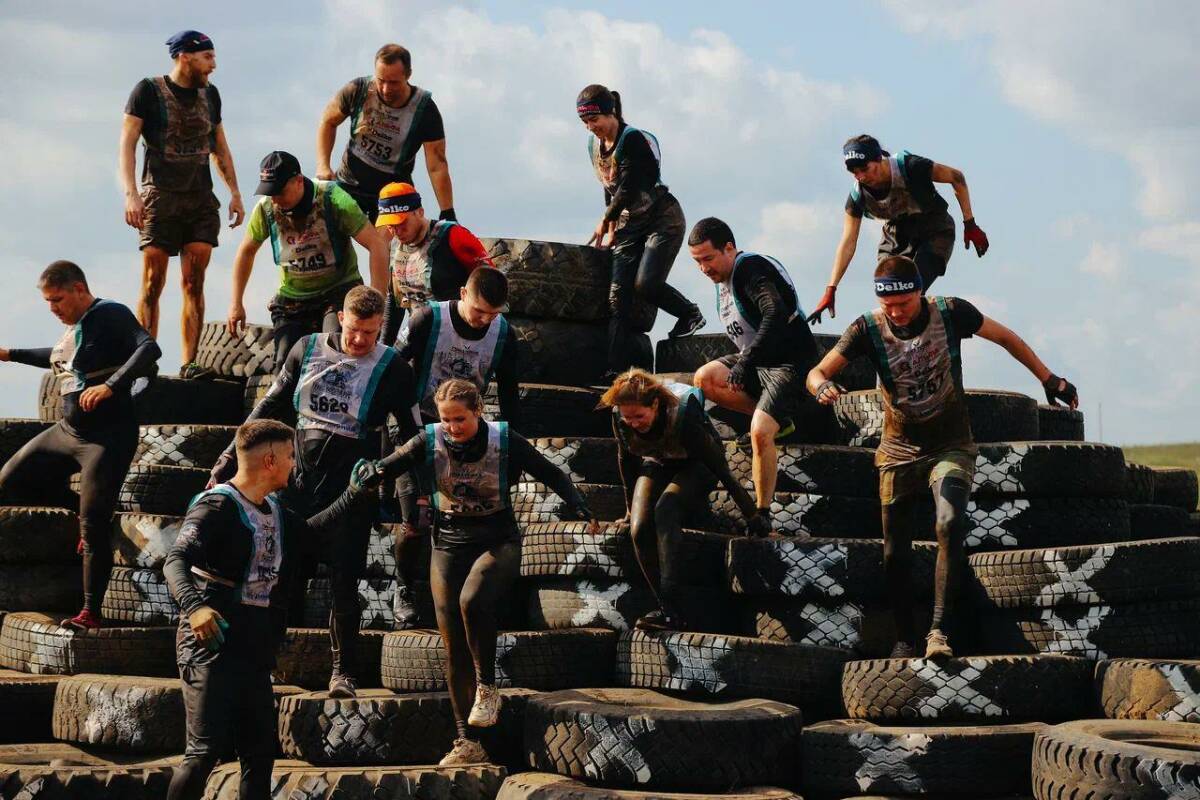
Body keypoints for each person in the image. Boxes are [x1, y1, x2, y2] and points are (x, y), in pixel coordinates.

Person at [806, 255, 1078, 659]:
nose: (896, 312)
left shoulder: (950, 313)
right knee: (894, 551)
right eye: (887, 305)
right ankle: (904, 638)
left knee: (949, 523)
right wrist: (820, 387)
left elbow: (1006, 337)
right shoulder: (866, 328)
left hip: (950, 445)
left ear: (919, 291)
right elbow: (816, 372)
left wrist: (1049, 378)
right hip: (897, 451)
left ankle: (939, 633)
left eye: (903, 303)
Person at [348, 379, 596, 766]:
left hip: (498, 542)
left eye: (460, 419)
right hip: (447, 544)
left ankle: (488, 686)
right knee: (454, 648)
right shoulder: (430, 439)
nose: (452, 427)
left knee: (472, 601)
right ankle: (467, 742)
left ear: (478, 411)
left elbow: (552, 473)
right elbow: (390, 465)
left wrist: (578, 504)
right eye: (446, 420)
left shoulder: (504, 439)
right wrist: (370, 473)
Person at [208, 286, 419, 697]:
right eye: (354, 329)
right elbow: (267, 407)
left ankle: (343, 674)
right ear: (341, 318)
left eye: (370, 333)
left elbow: (414, 437)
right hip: (295, 487)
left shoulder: (393, 367)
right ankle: (265, 664)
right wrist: (228, 457)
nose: (360, 340)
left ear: (381, 327)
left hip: (350, 490)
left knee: (344, 583)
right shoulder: (306, 349)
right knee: (278, 577)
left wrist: (398, 482)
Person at [164, 419, 353, 800]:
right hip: (211, 642)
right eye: (290, 456)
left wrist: (356, 493)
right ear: (270, 460)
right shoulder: (217, 505)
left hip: (253, 646)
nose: (294, 464)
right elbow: (175, 560)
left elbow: (311, 535)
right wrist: (195, 607)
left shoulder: (275, 510)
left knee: (260, 753)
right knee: (204, 753)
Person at [0, 261, 161, 630]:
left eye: (57, 300)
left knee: (92, 528)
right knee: (11, 480)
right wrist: (9, 354)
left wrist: (111, 386)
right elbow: (57, 359)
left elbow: (149, 348)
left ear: (78, 289)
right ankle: (82, 509)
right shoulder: (76, 330)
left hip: (106, 438)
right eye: (47, 302)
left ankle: (90, 613)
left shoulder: (110, 313)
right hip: (67, 432)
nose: (52, 308)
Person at [387, 267, 520, 628]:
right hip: (415, 424)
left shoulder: (504, 334)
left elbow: (511, 396)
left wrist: (510, 452)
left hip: (465, 434)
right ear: (463, 293)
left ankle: (460, 596)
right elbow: (390, 369)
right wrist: (400, 428)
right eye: (479, 311)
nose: (484, 320)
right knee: (416, 518)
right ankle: (404, 588)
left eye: (493, 313)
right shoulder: (426, 319)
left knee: (463, 516)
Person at [687, 217, 828, 530]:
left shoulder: (750, 270)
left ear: (729, 248)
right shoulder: (723, 282)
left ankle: (762, 513)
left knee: (760, 432)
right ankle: (780, 420)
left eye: (708, 259)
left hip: (790, 364)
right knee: (704, 378)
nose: (704, 268)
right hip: (758, 362)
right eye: (697, 262)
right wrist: (746, 362)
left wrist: (745, 362)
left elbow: (775, 312)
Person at [599, 370, 768, 630]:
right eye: (628, 418)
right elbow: (627, 462)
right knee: (639, 528)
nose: (634, 423)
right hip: (659, 460)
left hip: (698, 464)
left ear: (655, 405)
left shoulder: (683, 415)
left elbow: (721, 469)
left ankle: (672, 599)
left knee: (665, 509)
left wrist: (754, 516)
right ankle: (667, 609)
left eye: (639, 416)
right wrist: (629, 510)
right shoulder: (621, 419)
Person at [120, 30, 244, 377]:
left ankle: (190, 362)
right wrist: (131, 193)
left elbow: (220, 146)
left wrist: (234, 192)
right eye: (207, 58)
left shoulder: (211, 94)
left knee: (194, 282)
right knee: (152, 282)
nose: (213, 65)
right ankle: (143, 363)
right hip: (160, 196)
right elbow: (127, 143)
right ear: (184, 57)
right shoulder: (148, 91)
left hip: (200, 198)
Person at [576, 84, 705, 380]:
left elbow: (629, 187)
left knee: (645, 284)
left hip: (662, 218)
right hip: (629, 223)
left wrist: (606, 218)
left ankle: (689, 312)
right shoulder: (593, 145)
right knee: (617, 296)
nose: (591, 127)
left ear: (610, 113)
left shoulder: (634, 140)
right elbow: (609, 187)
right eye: (585, 122)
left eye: (594, 120)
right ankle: (616, 368)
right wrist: (611, 227)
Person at [226, 151, 390, 367]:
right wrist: (236, 303)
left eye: (280, 192)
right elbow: (246, 251)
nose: (275, 199)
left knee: (333, 353)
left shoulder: (333, 199)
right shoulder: (266, 209)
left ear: (298, 181)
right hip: (293, 298)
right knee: (286, 362)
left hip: (337, 290)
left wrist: (377, 302)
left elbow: (377, 245)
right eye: (270, 193)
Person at [807, 134, 989, 324]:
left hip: (934, 230)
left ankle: (932, 329)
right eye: (854, 172)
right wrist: (831, 288)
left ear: (879, 158)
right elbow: (848, 242)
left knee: (909, 290)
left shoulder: (910, 167)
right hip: (896, 236)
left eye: (865, 169)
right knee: (889, 290)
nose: (861, 177)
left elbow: (956, 177)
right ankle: (892, 336)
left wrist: (970, 223)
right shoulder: (858, 195)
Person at [316, 44, 454, 222]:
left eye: (394, 83)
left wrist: (447, 211)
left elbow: (437, 164)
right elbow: (328, 121)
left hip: (392, 195)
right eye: (381, 80)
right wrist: (323, 165)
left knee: (388, 236)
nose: (386, 89)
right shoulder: (358, 89)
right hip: (349, 183)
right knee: (322, 223)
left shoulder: (424, 110)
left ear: (408, 75)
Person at [375, 182, 493, 345]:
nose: (397, 231)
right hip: (419, 335)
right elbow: (396, 301)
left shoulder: (455, 236)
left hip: (460, 338)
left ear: (419, 212)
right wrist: (384, 348)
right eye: (391, 226)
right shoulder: (395, 245)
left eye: (402, 223)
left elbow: (492, 283)